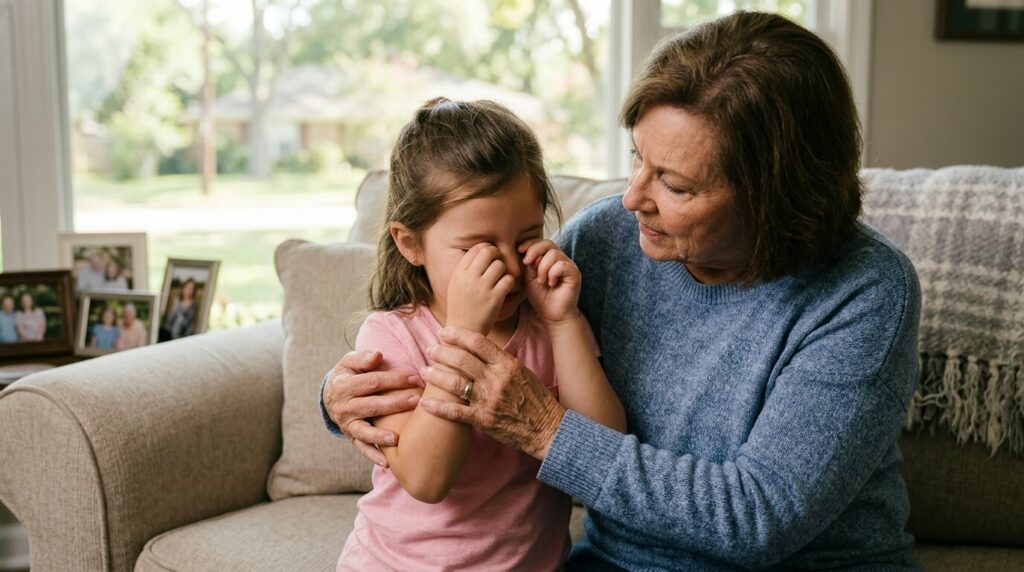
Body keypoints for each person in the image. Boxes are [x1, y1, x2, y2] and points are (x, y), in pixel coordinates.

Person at [322, 11, 923, 571]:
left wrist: (545, 429)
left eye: (676, 184)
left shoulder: (865, 293)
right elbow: (439, 325)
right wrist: (341, 397)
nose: (633, 197)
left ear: (775, 202)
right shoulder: (613, 237)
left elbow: (758, 518)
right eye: (637, 157)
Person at [329, 98, 625, 571]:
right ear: (411, 244)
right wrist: (466, 332)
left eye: (525, 236)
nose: (508, 263)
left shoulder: (551, 325)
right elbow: (427, 479)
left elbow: (604, 451)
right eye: (478, 247)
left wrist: (563, 322)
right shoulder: (392, 336)